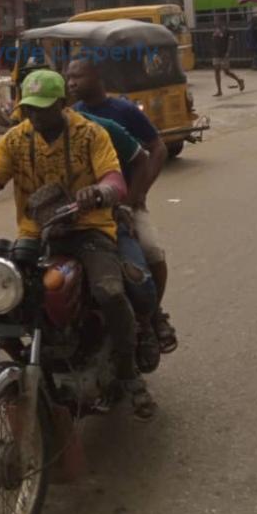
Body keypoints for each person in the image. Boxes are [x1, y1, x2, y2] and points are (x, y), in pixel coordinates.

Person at [0, 69, 156, 419]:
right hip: (36, 233)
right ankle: (24, 361)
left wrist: (100, 192)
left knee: (110, 292)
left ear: (62, 104)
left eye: (42, 108)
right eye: (29, 108)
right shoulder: (16, 139)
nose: (34, 116)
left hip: (89, 230)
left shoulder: (90, 134)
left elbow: (115, 180)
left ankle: (130, 375)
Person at [65, 55, 178, 355]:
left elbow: (156, 149)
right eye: (69, 77)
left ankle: (154, 314)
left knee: (151, 252)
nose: (72, 82)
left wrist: (137, 195)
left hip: (127, 200)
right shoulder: (73, 115)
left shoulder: (123, 110)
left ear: (98, 77)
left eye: (79, 76)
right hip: (92, 206)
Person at [211, 16, 245, 97]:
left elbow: (230, 42)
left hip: (223, 53)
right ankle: (219, 90)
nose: (215, 22)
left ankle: (239, 80)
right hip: (216, 54)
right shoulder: (215, 30)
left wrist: (228, 52)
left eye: (216, 20)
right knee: (216, 71)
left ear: (221, 21)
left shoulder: (227, 30)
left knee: (226, 71)